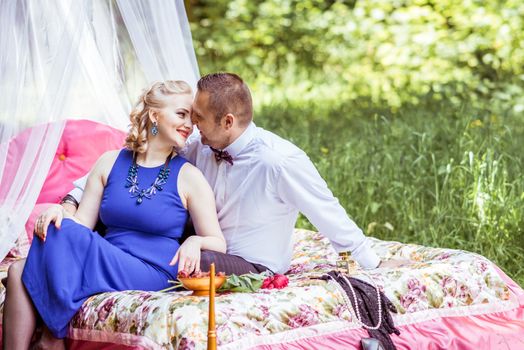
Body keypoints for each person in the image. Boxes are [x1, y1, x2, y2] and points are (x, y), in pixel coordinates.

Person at [37, 73, 405, 276]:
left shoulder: (280, 161)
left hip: (251, 262)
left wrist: (372, 263)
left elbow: (327, 211)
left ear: (227, 122)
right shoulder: (200, 144)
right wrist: (69, 203)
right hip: (197, 241)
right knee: (121, 223)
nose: (190, 124)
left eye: (197, 117)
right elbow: (126, 167)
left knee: (181, 263)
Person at [2, 80, 226, 350]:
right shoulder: (109, 162)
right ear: (155, 115)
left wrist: (195, 242)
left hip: (154, 270)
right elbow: (82, 224)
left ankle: (52, 337)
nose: (189, 124)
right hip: (106, 260)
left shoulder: (189, 176)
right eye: (181, 114)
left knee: (51, 241)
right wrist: (59, 210)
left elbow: (218, 241)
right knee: (17, 270)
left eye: (191, 118)